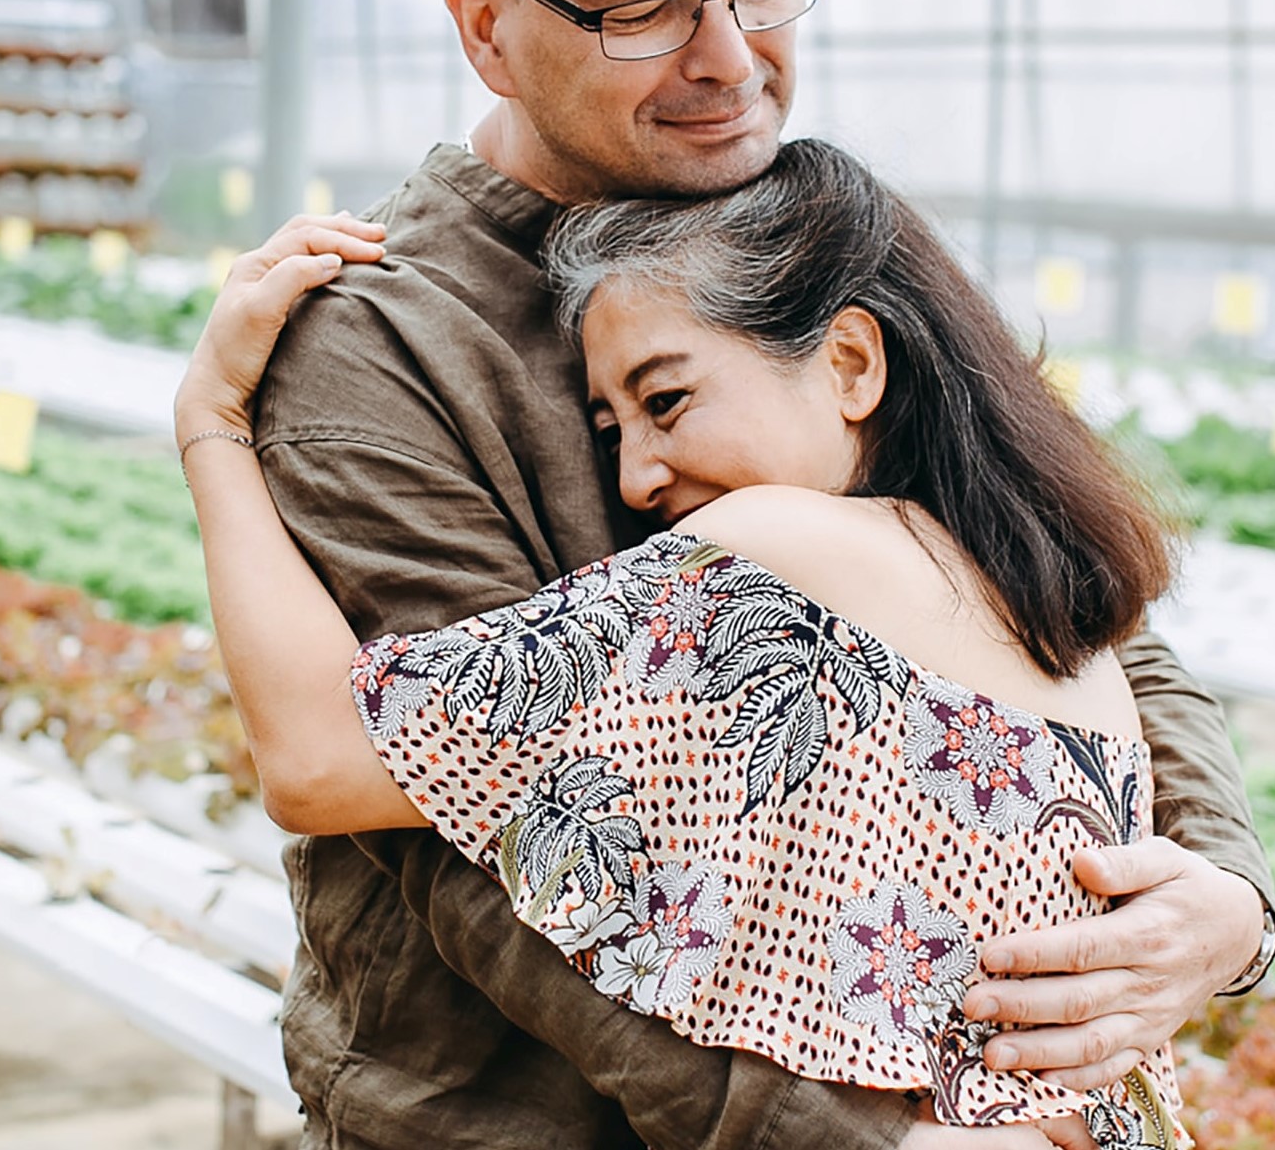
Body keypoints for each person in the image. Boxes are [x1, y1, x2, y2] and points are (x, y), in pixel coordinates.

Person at [229, 0, 1275, 1150]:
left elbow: (1049, 575)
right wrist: (861, 1140)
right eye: (644, 8)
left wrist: (1217, 890)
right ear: (484, 25)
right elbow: (475, 841)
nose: (729, 59)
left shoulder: (782, 220)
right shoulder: (378, 339)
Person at [175, 140, 1206, 1147]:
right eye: (612, 428)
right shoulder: (1076, 642)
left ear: (850, 363)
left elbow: (319, 763)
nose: (635, 481)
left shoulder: (775, 555)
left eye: (666, 401)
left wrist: (212, 422)